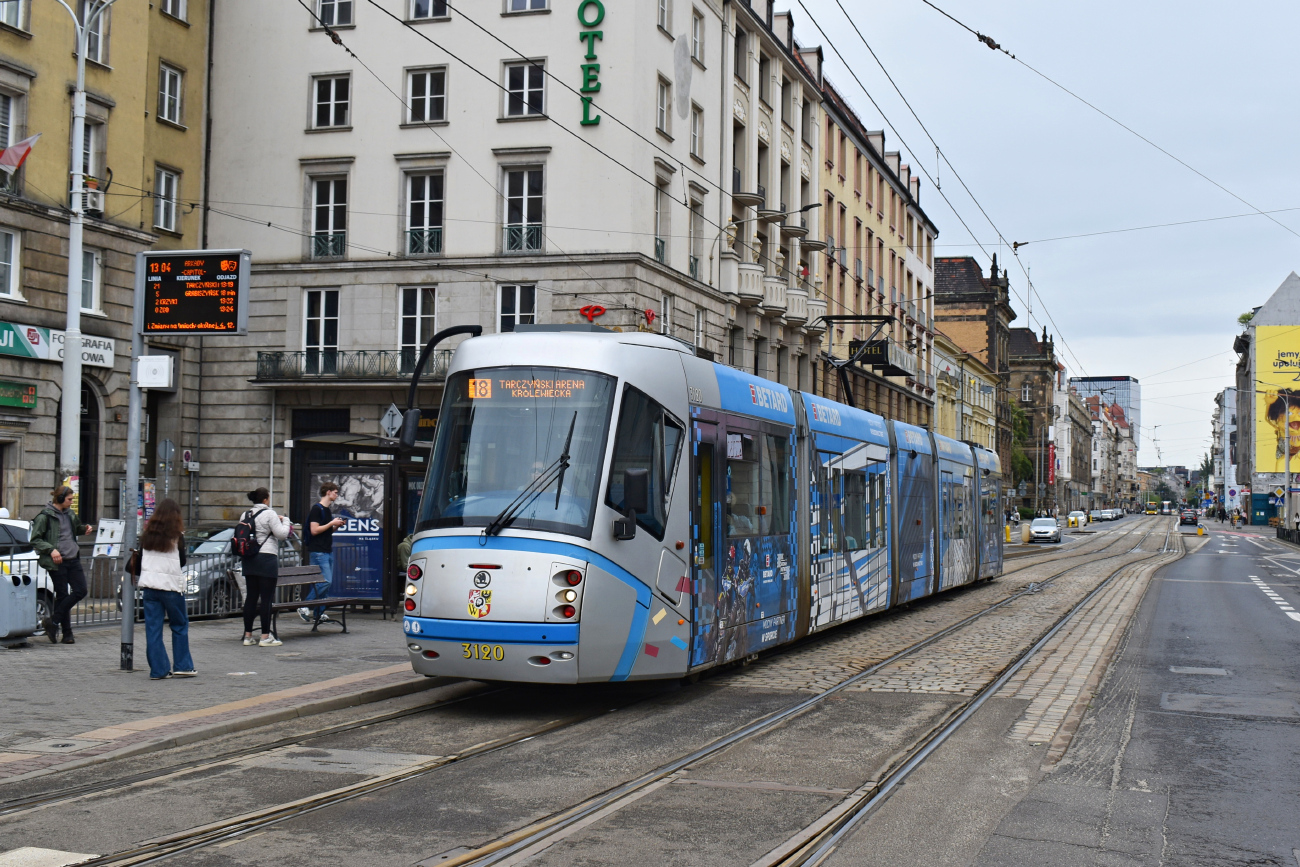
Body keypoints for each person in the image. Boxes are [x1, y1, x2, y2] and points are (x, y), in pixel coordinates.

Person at [134, 498, 196, 680]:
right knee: (179, 625)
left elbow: (140, 560)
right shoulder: (177, 536)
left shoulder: (147, 535)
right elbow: (182, 561)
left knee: (153, 629)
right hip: (170, 587)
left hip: (150, 586)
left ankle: (158, 670)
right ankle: (183, 666)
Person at [32, 486, 94, 645]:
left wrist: (85, 529)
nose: (72, 502)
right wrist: (51, 550)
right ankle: (67, 634)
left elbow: (75, 529)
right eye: (69, 499)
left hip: (73, 558)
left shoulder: (70, 514)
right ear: (60, 499)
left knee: (81, 590)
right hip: (57, 562)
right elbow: (35, 540)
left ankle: (53, 621)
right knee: (63, 595)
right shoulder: (45, 516)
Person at [240, 487, 290, 647]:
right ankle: (265, 637)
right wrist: (286, 520)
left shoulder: (245, 514)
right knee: (266, 599)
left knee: (251, 598)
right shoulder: (270, 514)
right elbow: (282, 534)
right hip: (267, 558)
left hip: (249, 559)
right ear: (266, 499)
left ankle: (248, 636)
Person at [299, 482, 345, 623]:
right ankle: (304, 605)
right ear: (328, 492)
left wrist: (336, 526)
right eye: (335, 492)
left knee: (326, 583)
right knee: (326, 581)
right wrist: (331, 523)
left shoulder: (327, 510)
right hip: (318, 551)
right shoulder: (317, 509)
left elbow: (325, 531)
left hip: (326, 550)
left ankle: (319, 612)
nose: (337, 495)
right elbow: (314, 530)